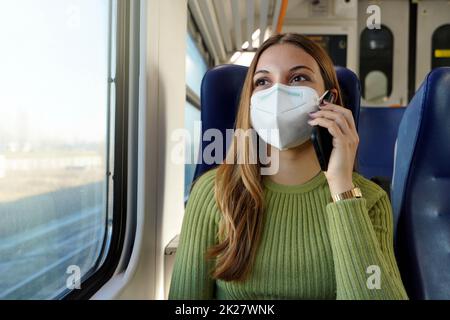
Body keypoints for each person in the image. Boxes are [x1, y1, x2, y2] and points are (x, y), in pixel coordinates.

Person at [169, 33, 408, 300]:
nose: (277, 93)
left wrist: (342, 189)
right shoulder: (212, 193)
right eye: (263, 81)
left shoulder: (369, 199)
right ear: (250, 101)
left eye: (298, 78)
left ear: (329, 99)